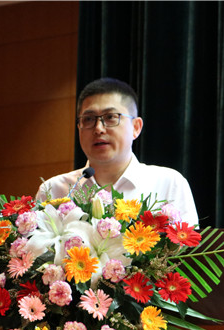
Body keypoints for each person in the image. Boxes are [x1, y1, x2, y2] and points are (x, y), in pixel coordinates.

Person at [36, 77, 200, 226]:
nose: (99, 128)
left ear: (136, 127)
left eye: (110, 117)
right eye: (89, 119)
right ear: (79, 128)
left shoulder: (168, 184)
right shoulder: (53, 191)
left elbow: (187, 246)